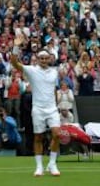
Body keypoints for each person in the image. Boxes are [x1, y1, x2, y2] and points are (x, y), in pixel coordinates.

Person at [11, 35, 61, 176]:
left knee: (57, 134)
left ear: (49, 59)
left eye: (46, 58)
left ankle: (52, 164)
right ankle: (39, 166)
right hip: (38, 109)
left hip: (52, 109)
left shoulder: (54, 72)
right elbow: (14, 63)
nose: (44, 60)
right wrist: (16, 46)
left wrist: (56, 106)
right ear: (37, 59)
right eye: (41, 58)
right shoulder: (31, 70)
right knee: (38, 137)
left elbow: (54, 90)